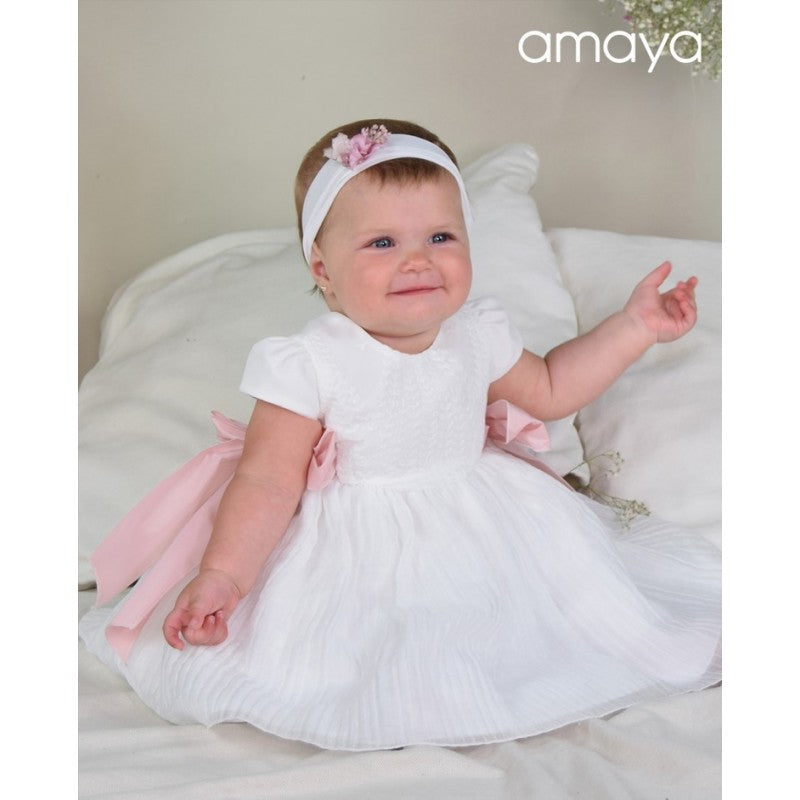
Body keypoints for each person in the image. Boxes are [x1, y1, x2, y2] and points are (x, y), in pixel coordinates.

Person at [80, 118, 721, 751]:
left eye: (441, 236)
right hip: (361, 545)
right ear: (323, 268)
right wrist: (224, 575)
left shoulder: (476, 333)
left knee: (566, 621)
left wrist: (635, 327)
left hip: (487, 521)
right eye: (381, 243)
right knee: (376, 652)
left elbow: (553, 386)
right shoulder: (311, 362)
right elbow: (268, 481)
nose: (418, 259)